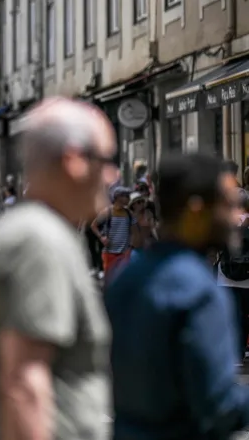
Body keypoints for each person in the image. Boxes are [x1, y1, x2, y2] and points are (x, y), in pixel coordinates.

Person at [0, 97, 116, 440]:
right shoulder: (40, 245)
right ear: (74, 161)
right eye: (105, 161)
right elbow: (24, 385)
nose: (113, 175)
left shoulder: (15, 231)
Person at [106, 154, 249, 439]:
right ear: (196, 210)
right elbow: (217, 404)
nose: (233, 216)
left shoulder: (125, 277)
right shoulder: (196, 290)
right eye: (226, 204)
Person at [217, 187, 249, 366]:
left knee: (231, 315)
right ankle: (242, 350)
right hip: (247, 276)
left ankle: (234, 353)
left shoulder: (224, 221)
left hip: (226, 275)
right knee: (244, 315)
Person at [91, 186, 137, 286]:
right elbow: (94, 225)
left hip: (124, 253)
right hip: (109, 252)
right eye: (125, 196)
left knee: (123, 280)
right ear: (117, 197)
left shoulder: (129, 214)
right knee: (109, 280)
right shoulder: (107, 212)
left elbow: (134, 231)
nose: (128, 198)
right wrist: (101, 237)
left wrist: (130, 247)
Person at [128, 191, 157, 261]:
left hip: (149, 247)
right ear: (133, 205)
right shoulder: (130, 218)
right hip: (136, 248)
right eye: (138, 202)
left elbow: (153, 229)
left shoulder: (148, 214)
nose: (141, 204)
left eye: (141, 201)